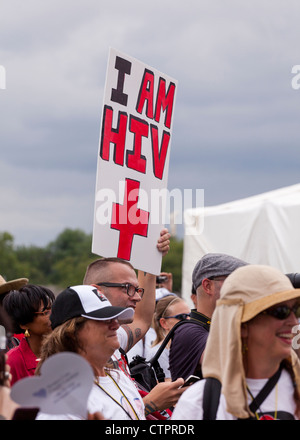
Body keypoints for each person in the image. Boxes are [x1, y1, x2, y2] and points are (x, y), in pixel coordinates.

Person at [172, 265, 300, 420]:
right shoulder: (199, 403)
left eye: (296, 310)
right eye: (281, 312)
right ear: (242, 324)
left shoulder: (296, 389)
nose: (294, 322)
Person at [83, 229, 186, 417]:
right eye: (128, 288)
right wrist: (150, 403)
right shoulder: (71, 358)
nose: (137, 297)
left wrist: (150, 257)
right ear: (97, 291)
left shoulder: (111, 339)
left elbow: (142, 319)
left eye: (138, 289)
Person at [36, 284, 146, 420]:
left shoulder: (118, 376)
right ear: (71, 333)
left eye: (115, 317)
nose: (115, 324)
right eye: (104, 319)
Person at [169, 253, 248, 381]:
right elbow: (232, 364)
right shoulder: (189, 332)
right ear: (208, 286)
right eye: (235, 281)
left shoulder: (217, 327)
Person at [3, 284, 55, 385]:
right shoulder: (11, 363)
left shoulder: (63, 351)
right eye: (46, 312)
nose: (53, 315)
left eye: (53, 309)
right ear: (24, 324)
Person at [147, 295, 190, 380]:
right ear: (164, 323)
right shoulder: (158, 354)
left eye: (190, 315)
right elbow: (170, 390)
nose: (189, 319)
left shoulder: (186, 348)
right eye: (182, 317)